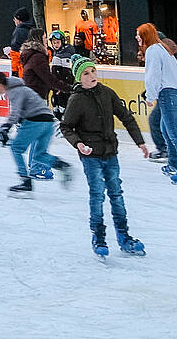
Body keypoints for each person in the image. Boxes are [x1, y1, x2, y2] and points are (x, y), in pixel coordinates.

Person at [60, 59, 150, 258]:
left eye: (93, 71)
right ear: (79, 78)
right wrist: (78, 144)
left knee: (116, 194)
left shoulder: (107, 93)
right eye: (86, 73)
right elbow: (66, 126)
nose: (92, 76)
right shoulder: (76, 100)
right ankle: (99, 237)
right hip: (90, 154)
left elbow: (126, 116)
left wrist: (140, 142)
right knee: (97, 194)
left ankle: (124, 237)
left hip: (110, 152)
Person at [0, 70, 69, 195]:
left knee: (16, 148)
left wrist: (5, 127)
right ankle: (62, 165)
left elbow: (16, 112)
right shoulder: (21, 88)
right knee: (39, 155)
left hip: (36, 121)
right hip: (48, 122)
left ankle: (25, 182)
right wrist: (5, 129)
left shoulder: (14, 91)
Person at [139, 23, 177, 184]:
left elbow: (153, 76)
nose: (137, 38)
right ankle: (174, 164)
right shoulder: (163, 49)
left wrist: (150, 96)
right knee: (166, 130)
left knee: (173, 133)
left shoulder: (153, 50)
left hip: (169, 94)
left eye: (139, 35)